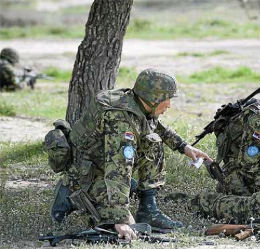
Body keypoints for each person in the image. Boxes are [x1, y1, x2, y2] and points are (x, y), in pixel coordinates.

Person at [49, 68, 212, 240]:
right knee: (106, 224)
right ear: (153, 99)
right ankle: (68, 193)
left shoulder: (137, 103)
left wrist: (184, 147)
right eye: (167, 99)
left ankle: (148, 211)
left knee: (153, 140)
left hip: (101, 165)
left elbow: (155, 127)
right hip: (85, 175)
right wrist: (120, 218)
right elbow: (118, 168)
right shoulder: (120, 121)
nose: (169, 105)